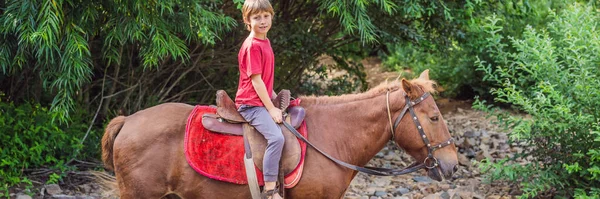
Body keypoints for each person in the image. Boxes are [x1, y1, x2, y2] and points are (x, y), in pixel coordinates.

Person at [235, 0, 284, 198]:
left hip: (260, 99)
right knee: (276, 138)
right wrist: (271, 109)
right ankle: (270, 190)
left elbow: (264, 79)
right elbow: (256, 81)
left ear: (271, 16)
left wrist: (274, 98)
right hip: (250, 105)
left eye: (266, 16)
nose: (263, 21)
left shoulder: (264, 40)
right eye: (257, 17)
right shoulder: (252, 46)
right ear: (247, 20)